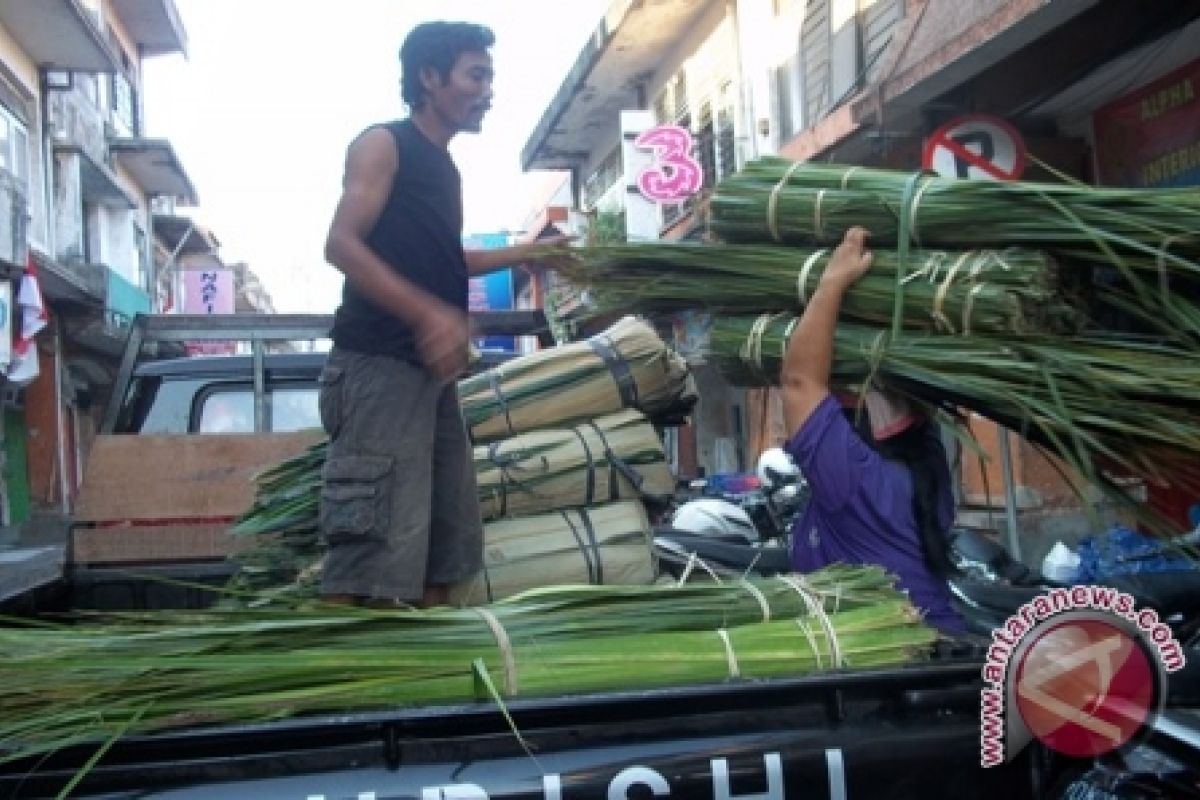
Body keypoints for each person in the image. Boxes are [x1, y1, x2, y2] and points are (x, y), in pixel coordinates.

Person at [319, 21, 569, 608]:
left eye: (489, 78)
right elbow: (341, 244)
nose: (487, 91)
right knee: (372, 564)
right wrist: (430, 315)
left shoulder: (443, 166)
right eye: (476, 75)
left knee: (444, 549)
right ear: (430, 78)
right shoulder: (384, 144)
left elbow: (440, 259)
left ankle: (430, 681)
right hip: (376, 371)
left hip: (427, 379)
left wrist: (531, 253)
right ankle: (358, 687)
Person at [779, 226, 965, 635]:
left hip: (891, 661)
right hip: (937, 639)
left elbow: (799, 382)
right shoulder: (927, 466)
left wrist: (834, 280)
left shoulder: (852, 478)